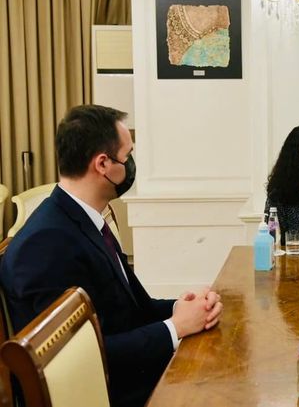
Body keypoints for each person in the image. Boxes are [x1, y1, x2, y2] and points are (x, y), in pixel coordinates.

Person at [0, 105, 223, 407]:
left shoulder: (87, 219)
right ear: (103, 164)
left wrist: (184, 307)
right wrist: (175, 327)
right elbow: (73, 359)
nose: (131, 165)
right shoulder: (45, 243)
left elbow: (135, 307)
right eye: (127, 156)